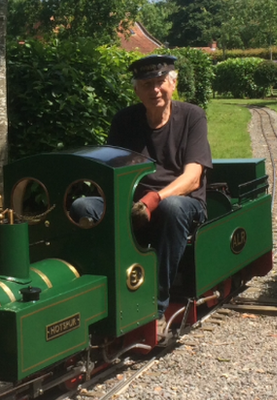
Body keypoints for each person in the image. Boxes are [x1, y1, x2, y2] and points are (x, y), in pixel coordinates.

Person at [71, 54, 212, 328]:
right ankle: (102, 295)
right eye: (147, 84)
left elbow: (193, 178)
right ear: (136, 89)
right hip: (134, 206)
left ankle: (154, 305)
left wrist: (154, 199)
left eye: (160, 82)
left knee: (171, 209)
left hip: (182, 204)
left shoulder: (192, 116)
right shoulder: (124, 120)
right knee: (83, 206)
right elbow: (111, 169)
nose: (155, 90)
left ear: (173, 83)